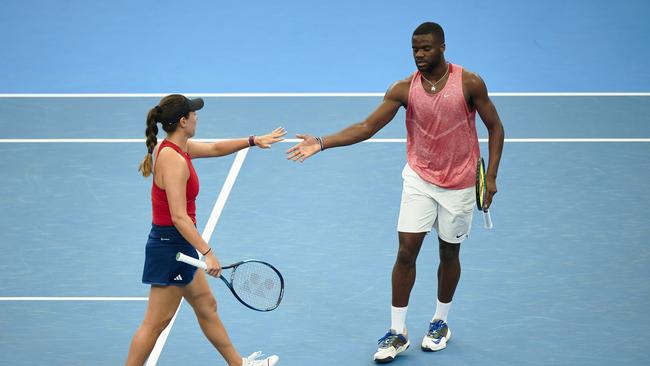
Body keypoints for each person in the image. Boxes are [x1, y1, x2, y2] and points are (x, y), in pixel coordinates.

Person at [286, 22, 505, 363]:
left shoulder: (470, 83)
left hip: (460, 183)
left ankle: (440, 323)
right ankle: (397, 332)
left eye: (426, 48)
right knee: (406, 251)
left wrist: (490, 176)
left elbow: (495, 126)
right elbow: (366, 127)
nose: (419, 54)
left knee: (449, 254)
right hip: (419, 178)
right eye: (415, 49)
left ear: (443, 47)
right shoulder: (404, 89)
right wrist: (322, 142)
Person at [125, 94, 285, 366]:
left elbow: (214, 149)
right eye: (193, 113)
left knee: (206, 306)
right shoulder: (173, 160)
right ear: (183, 121)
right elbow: (178, 216)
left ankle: (239, 364)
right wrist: (208, 253)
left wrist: (252, 141)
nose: (198, 116)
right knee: (156, 323)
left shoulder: (177, 148)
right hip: (170, 248)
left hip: (178, 244)